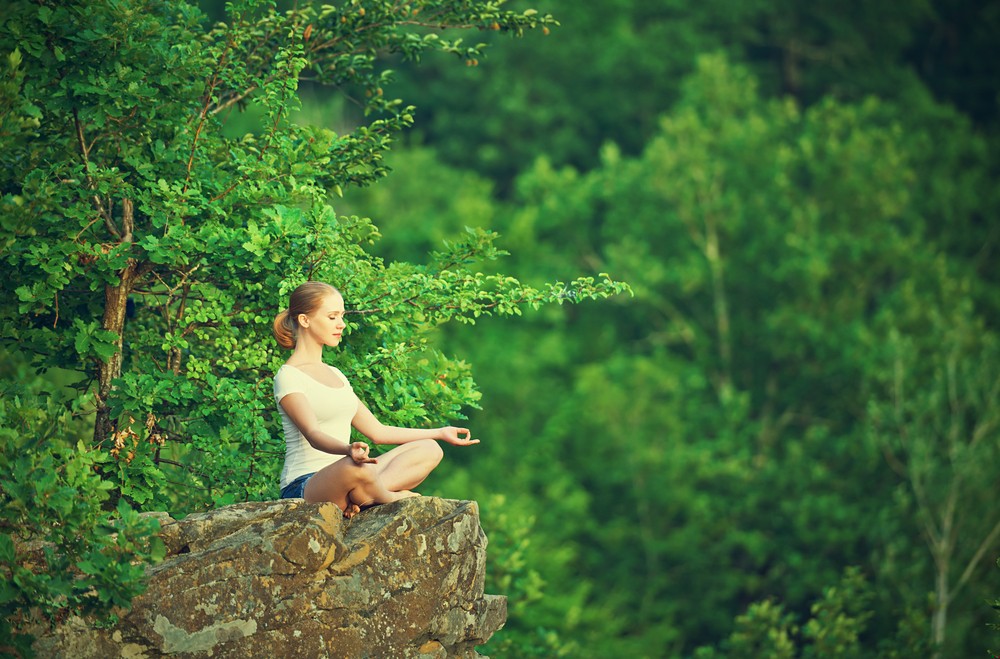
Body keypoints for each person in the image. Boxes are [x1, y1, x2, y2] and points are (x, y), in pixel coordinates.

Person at [272, 281, 479, 518]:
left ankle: (362, 496)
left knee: (429, 449)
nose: (341, 324)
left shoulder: (336, 375)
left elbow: (378, 431)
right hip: (306, 485)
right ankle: (386, 497)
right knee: (355, 468)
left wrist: (440, 432)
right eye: (332, 317)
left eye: (342, 316)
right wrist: (347, 449)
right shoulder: (288, 376)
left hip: (353, 475)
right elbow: (313, 434)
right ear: (305, 320)